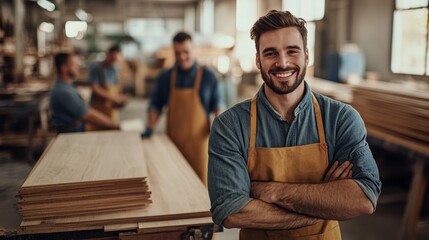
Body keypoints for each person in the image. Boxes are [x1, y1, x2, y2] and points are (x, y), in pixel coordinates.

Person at [207, 10, 381, 240]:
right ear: (258, 59)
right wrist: (325, 206)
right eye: (271, 53)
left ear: (306, 56)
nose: (282, 62)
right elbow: (231, 212)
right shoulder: (229, 126)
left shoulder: (340, 119)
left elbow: (364, 199)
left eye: (292, 51)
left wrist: (270, 191)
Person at [141, 31, 223, 186]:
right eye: (178, 53)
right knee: (174, 185)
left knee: (200, 187)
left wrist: (219, 131)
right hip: (172, 145)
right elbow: (155, 105)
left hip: (199, 146)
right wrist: (150, 127)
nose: (182, 57)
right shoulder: (165, 77)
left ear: (194, 49)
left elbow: (218, 107)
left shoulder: (209, 76)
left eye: (186, 52)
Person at [50, 52, 120, 133]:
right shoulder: (64, 92)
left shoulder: (68, 87)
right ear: (64, 68)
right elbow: (88, 115)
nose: (78, 66)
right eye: (75, 64)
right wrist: (115, 126)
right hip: (73, 136)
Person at [87, 45, 127, 121]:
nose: (113, 61)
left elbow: (116, 86)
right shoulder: (97, 67)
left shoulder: (115, 69)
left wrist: (120, 97)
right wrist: (112, 97)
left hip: (110, 107)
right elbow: (94, 88)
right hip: (98, 106)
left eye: (115, 59)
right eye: (112, 58)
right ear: (107, 54)